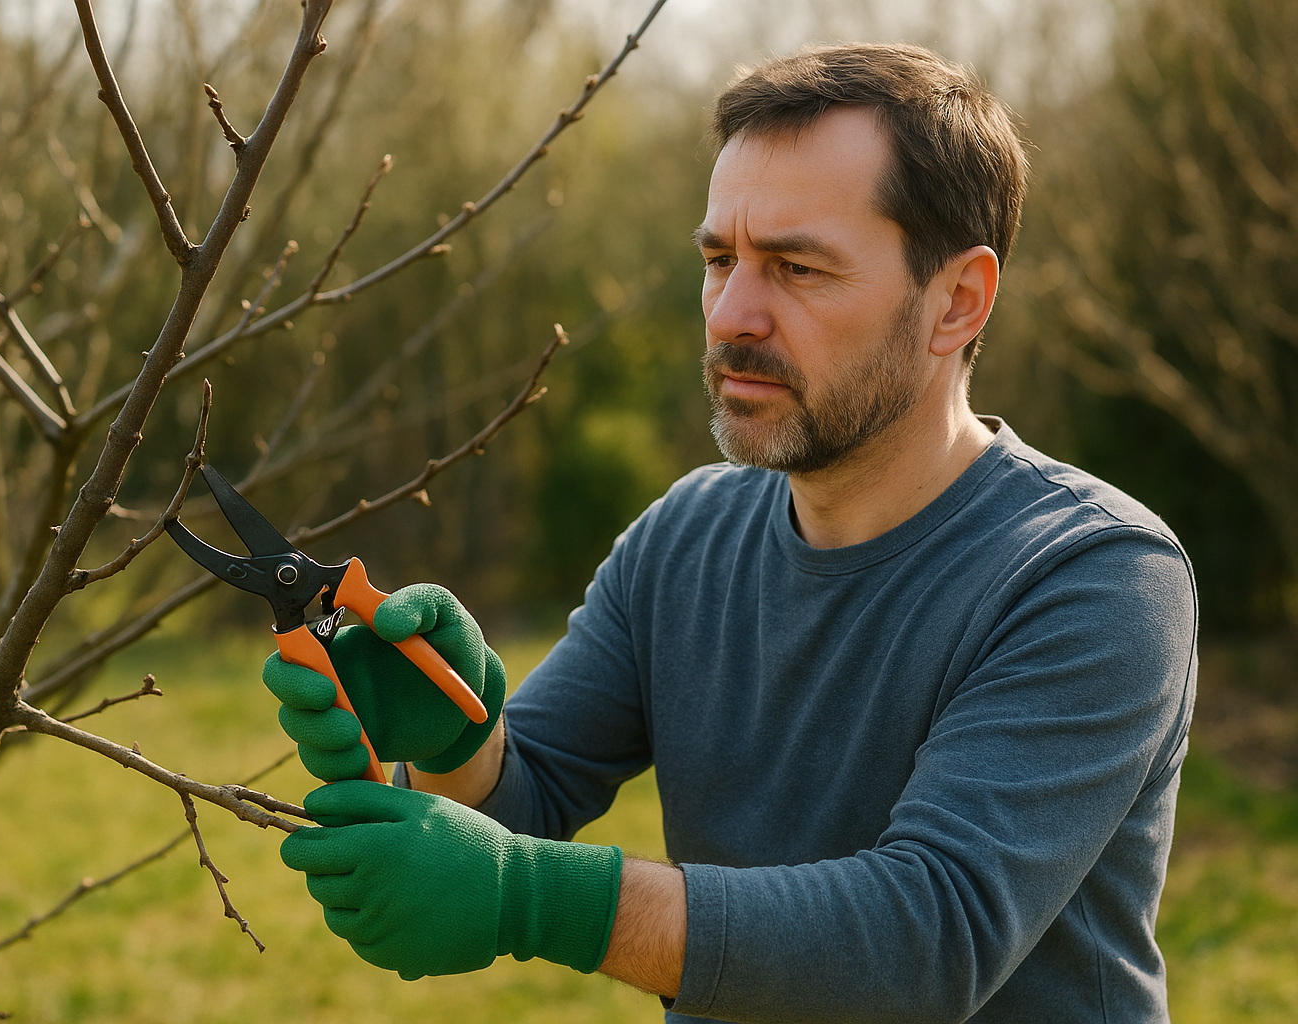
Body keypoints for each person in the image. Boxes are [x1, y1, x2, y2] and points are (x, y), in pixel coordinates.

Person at [268, 42, 1198, 1024]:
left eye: (797, 267)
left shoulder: (1093, 576)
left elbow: (929, 939)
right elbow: (523, 801)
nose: (733, 316)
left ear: (956, 301)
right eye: (720, 261)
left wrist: (538, 898)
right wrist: (460, 736)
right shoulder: (685, 537)